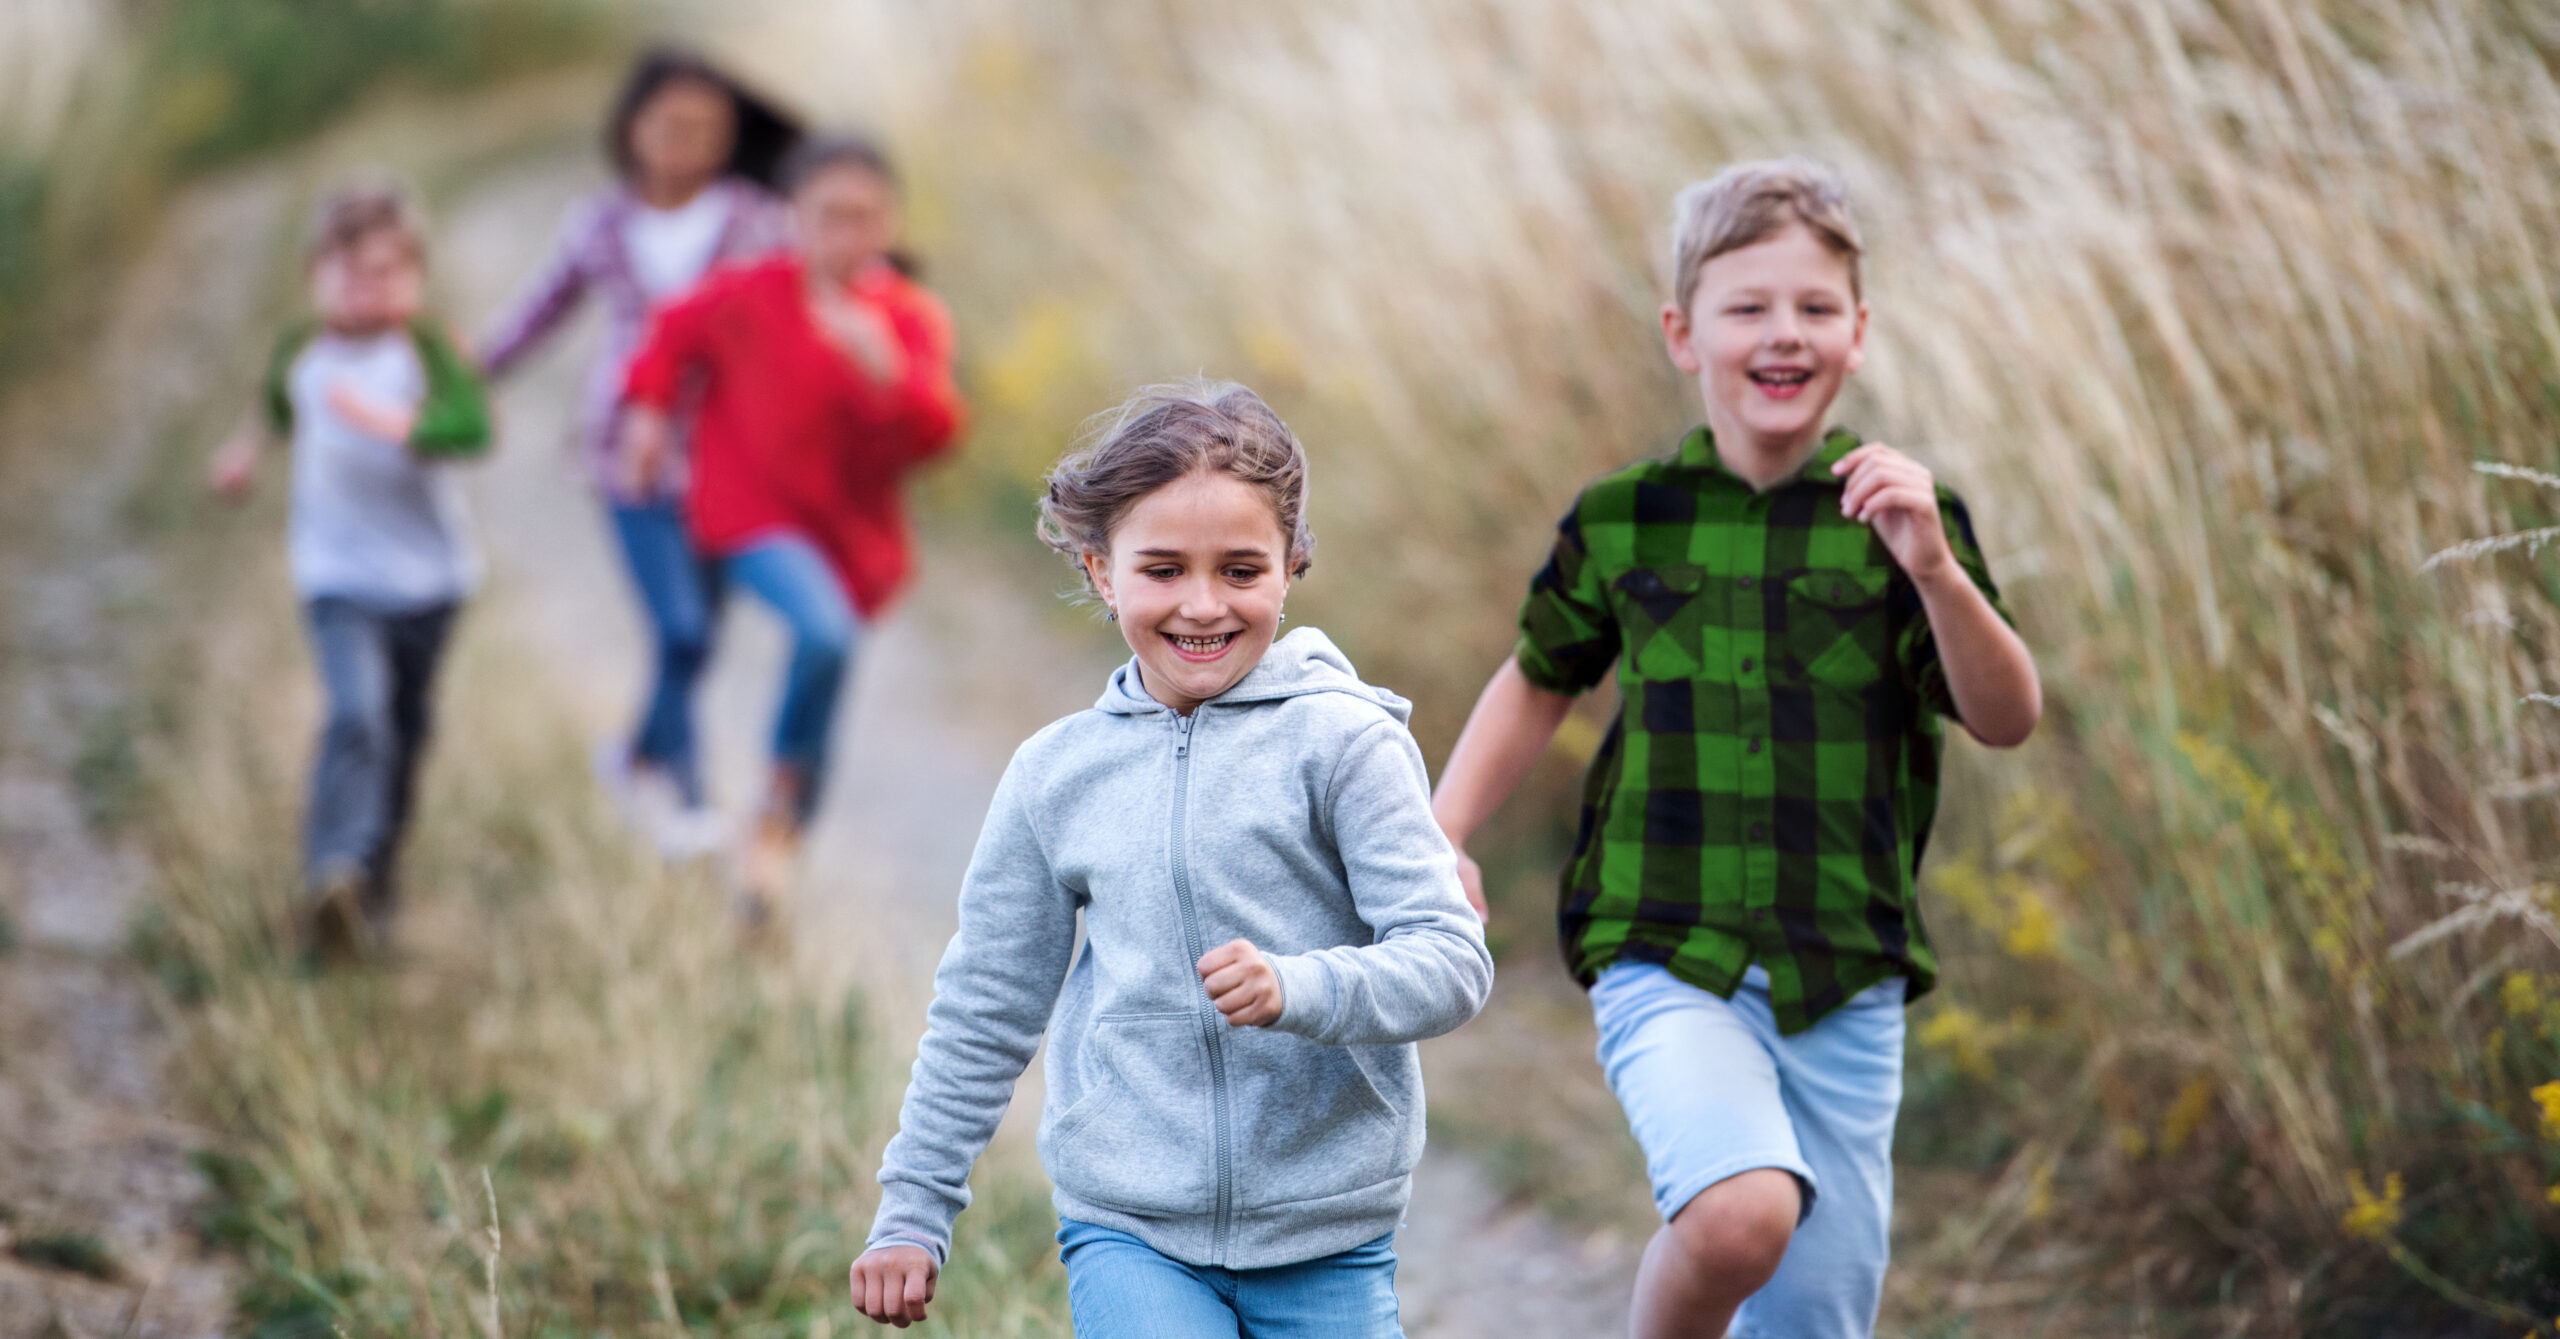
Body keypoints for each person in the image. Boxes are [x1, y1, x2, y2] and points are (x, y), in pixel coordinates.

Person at [1430, 159, 2042, 1339]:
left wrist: (1936, 569)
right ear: (1682, 332)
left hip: (1845, 970)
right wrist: (1440, 831)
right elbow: (1538, 675)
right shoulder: (1625, 518)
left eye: (1815, 309)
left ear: (1857, 335)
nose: (1783, 333)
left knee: (1816, 1315)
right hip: (1663, 942)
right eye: (1748, 306)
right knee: (1736, 1214)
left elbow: (2005, 713)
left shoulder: (1902, 519)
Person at [848, 382, 1493, 1335]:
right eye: (1162, 569)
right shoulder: (1057, 774)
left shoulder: (1346, 745)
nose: (1202, 604)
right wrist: (913, 1209)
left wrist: (1300, 986)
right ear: (1101, 571)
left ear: (1292, 565)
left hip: (1328, 1227)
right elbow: (986, 1002)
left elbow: (1451, 961)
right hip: (1129, 1223)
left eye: (1240, 569)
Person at [619, 133, 964, 915]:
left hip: (846, 531)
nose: (846, 233)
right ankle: (768, 814)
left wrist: (891, 376)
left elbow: (937, 435)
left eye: (865, 217)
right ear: (792, 217)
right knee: (826, 634)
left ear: (891, 223)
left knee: (787, 661)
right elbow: (670, 337)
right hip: (747, 511)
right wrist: (646, 413)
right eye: (828, 215)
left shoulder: (907, 318)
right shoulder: (749, 291)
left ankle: (765, 840)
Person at [476, 48, 798, 854]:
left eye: (707, 129)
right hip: (626, 453)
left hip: (726, 458)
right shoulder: (600, 222)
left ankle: (641, 764)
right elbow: (540, 309)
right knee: (682, 631)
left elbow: (798, 315)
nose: (687, 141)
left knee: (698, 635)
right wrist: (470, 370)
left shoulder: (755, 219)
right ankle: (678, 794)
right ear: (633, 128)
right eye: (671, 124)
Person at [209, 180, 493, 960]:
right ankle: (329, 869)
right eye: (352, 271)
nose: (370, 289)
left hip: (430, 580)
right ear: (316, 273)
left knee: (402, 729)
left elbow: (473, 426)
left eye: (389, 273)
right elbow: (274, 404)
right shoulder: (303, 347)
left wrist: (402, 424)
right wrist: (243, 456)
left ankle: (376, 877)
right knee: (354, 713)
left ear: (417, 277)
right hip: (334, 571)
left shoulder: (428, 347)